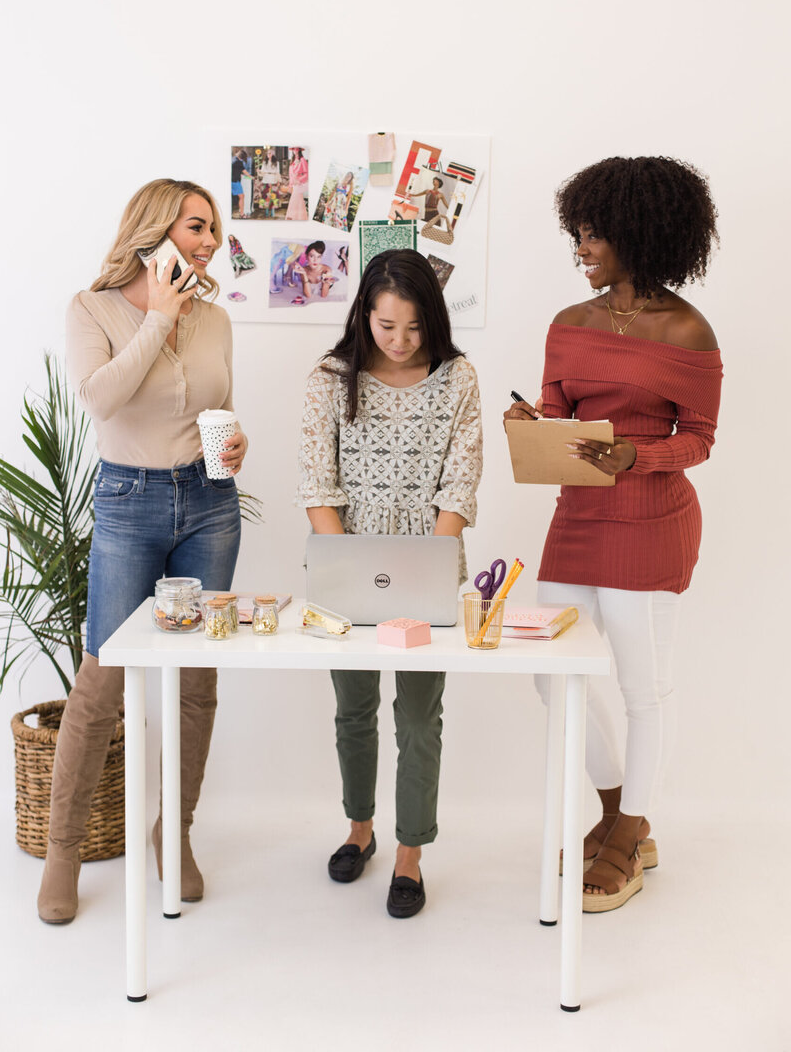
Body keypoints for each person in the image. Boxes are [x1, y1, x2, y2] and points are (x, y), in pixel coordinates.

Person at [504, 156, 722, 913]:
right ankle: (616, 805)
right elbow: (558, 413)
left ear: (639, 233)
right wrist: (533, 427)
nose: (580, 250)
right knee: (547, 669)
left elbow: (698, 438)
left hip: (651, 523)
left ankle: (630, 833)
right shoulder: (569, 325)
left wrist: (639, 454)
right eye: (577, 235)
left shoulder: (688, 331)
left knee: (642, 688)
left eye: (592, 235)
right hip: (578, 519)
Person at [38, 178, 247, 924]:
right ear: (156, 228)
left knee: (195, 681)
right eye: (197, 226)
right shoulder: (90, 309)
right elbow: (102, 399)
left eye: (214, 231)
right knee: (102, 678)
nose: (210, 241)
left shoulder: (217, 318)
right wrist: (157, 319)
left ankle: (174, 833)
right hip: (129, 503)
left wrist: (232, 444)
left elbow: (215, 406)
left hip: (210, 504)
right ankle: (63, 849)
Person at [296, 250, 482, 918]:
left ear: (433, 319)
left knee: (418, 718)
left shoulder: (458, 378)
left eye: (413, 329)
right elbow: (319, 482)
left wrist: (422, 572)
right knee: (353, 711)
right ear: (364, 317)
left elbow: (460, 484)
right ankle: (359, 828)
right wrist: (353, 575)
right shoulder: (329, 377)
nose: (400, 342)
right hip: (342, 569)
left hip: (429, 568)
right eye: (386, 327)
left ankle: (410, 852)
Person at [286, 146, 309, 221]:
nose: (295, 150)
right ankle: (296, 217)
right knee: (296, 200)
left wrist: (299, 180)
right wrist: (290, 184)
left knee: (296, 200)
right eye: (293, 149)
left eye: (296, 148)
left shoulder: (302, 160)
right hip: (294, 184)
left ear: (299, 150)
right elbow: (290, 174)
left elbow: (306, 173)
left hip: (299, 184)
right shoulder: (292, 160)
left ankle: (296, 217)